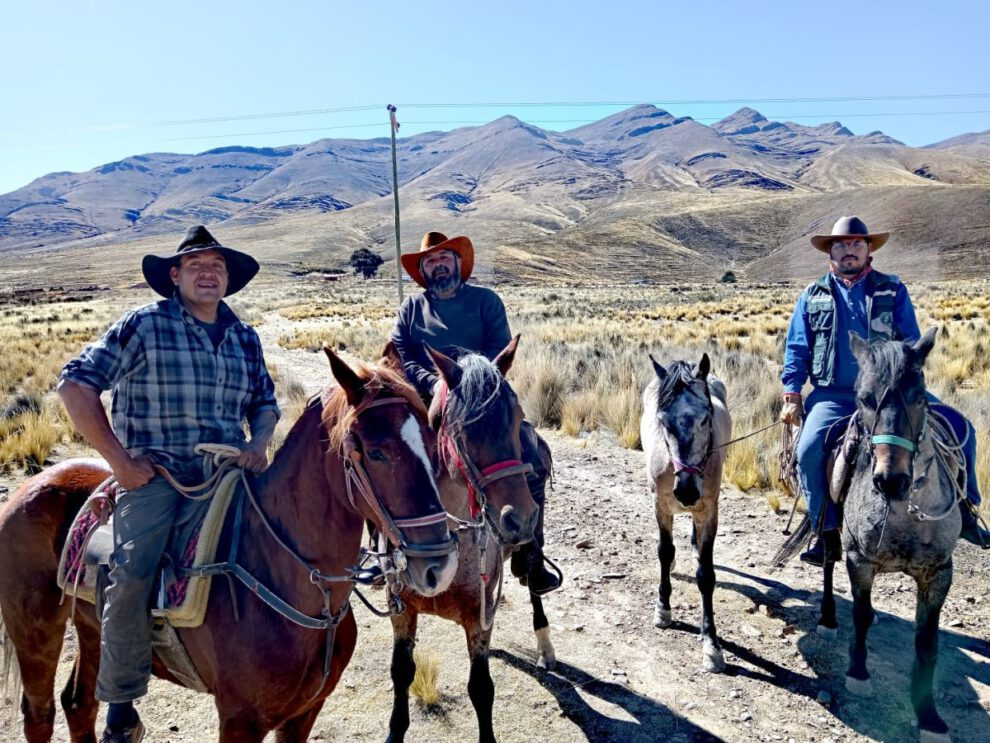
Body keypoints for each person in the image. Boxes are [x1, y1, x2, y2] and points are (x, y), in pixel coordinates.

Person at [58, 225, 280, 743]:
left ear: (229, 280)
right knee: (131, 570)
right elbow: (75, 384)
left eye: (218, 266)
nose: (209, 273)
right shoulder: (145, 325)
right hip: (157, 473)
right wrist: (119, 462)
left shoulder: (244, 336)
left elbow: (265, 404)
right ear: (174, 276)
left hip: (229, 471)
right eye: (197, 265)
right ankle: (120, 704)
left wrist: (260, 443)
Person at [781, 216, 988, 566]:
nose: (849, 251)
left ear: (868, 249)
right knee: (810, 448)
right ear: (830, 251)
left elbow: (910, 341)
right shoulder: (812, 296)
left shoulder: (892, 290)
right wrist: (792, 394)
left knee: (961, 428)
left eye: (856, 244)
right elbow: (797, 348)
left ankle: (967, 510)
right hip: (834, 395)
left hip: (889, 395)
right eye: (841, 245)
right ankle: (826, 531)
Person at [390, 231, 560, 595]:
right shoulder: (411, 309)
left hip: (482, 399)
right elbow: (405, 356)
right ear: (423, 271)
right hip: (427, 399)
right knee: (387, 459)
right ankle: (387, 551)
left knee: (532, 453)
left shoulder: (486, 301)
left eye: (444, 258)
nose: (438, 265)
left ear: (457, 263)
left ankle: (531, 553)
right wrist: (435, 383)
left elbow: (500, 353)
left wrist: (471, 383)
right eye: (430, 261)